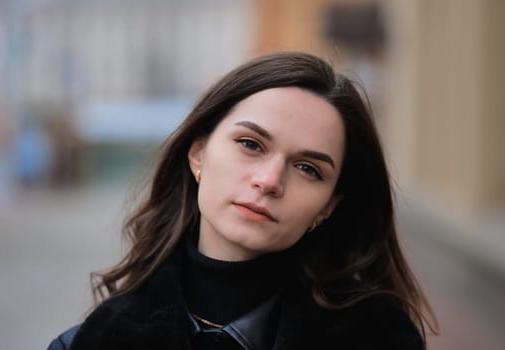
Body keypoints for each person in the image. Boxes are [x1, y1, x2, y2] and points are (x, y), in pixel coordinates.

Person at [47, 51, 435, 350]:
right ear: (198, 153)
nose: (268, 181)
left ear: (328, 207)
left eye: (308, 169)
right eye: (250, 144)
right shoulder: (89, 342)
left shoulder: (379, 339)